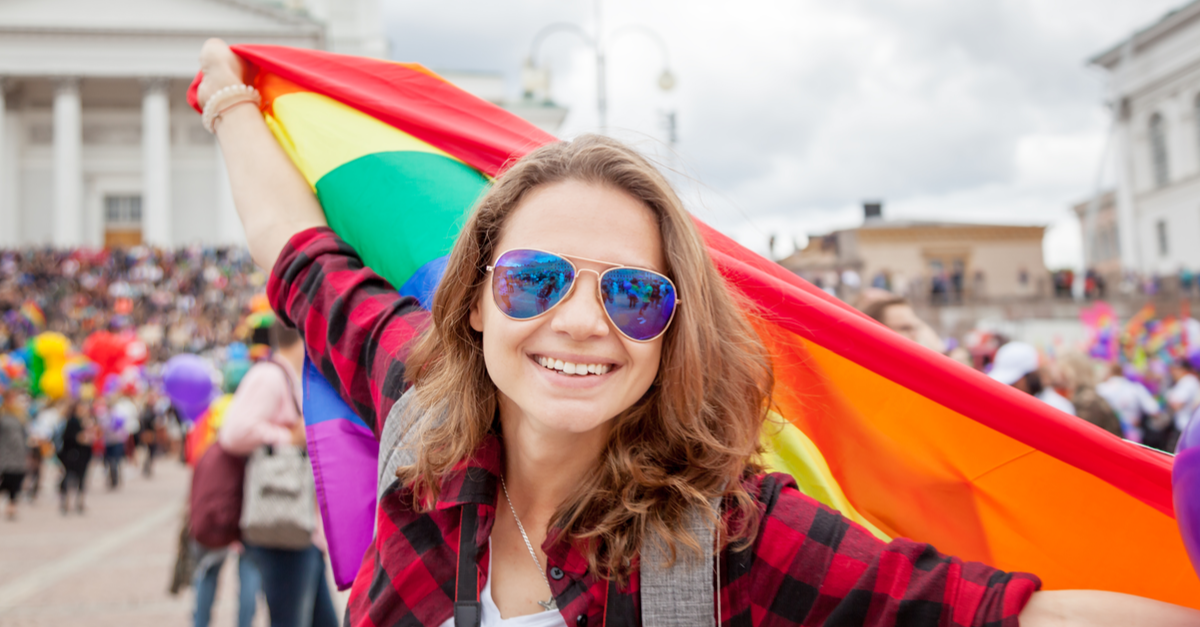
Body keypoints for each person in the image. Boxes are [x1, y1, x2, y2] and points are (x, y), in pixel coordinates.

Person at [199, 37, 1200, 627]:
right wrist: (233, 97)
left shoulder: (728, 533)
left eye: (633, 295)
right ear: (473, 299)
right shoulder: (416, 399)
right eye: (536, 279)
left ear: (673, 329)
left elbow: (999, 614)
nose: (581, 321)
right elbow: (295, 253)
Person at [217, 322, 337, 627]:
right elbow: (233, 433)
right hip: (282, 524)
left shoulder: (290, 377)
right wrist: (287, 437)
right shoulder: (270, 376)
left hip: (300, 527)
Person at [988, 341, 1076, 416]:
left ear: (1029, 375)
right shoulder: (1001, 406)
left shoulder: (1059, 410)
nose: (1009, 386)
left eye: (1013, 381)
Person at [1096, 363, 1161, 443]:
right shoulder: (1136, 388)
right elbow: (1154, 410)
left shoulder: (1100, 389)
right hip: (1132, 437)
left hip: (1106, 435)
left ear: (1109, 374)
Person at [57, 400, 95, 515]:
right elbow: (67, 437)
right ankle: (66, 502)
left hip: (84, 453)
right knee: (69, 477)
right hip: (72, 453)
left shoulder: (87, 421)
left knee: (82, 478)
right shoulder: (72, 421)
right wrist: (80, 437)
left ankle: (80, 502)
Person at [0, 384, 30, 521]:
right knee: (6, 477)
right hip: (5, 451)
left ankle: (12, 505)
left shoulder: (20, 415)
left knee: (17, 478)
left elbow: (25, 433)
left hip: (19, 452)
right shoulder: (2, 414)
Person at [1167, 359, 1200, 451]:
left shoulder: (1188, 381)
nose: (1173, 372)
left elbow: (1177, 405)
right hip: (1183, 425)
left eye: (1176, 369)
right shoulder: (1188, 380)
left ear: (1183, 370)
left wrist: (1168, 398)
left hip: (1182, 426)